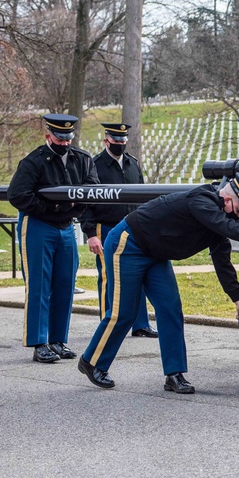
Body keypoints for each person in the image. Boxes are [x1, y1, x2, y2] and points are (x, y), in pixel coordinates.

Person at [77, 174, 239, 394]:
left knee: (171, 310)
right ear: (227, 200)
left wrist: (237, 299)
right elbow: (227, 227)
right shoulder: (202, 200)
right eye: (237, 211)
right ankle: (92, 361)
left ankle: (174, 374)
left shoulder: (216, 222)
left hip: (155, 253)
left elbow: (223, 264)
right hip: (129, 244)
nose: (236, 218)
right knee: (123, 312)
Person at [7, 114, 99, 364]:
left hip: (66, 227)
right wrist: (55, 209)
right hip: (38, 225)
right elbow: (18, 195)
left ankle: (58, 340)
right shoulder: (34, 161)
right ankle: (39, 343)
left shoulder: (82, 159)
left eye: (68, 138)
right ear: (48, 135)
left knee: (65, 283)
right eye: (60, 138)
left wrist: (70, 212)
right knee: (39, 285)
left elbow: (90, 191)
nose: (65, 143)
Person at [80, 122, 159, 338]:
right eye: (116, 141)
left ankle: (140, 324)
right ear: (106, 141)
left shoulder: (133, 164)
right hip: (106, 226)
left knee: (139, 272)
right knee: (108, 276)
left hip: (134, 228)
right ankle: (109, 321)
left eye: (123, 141)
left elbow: (141, 197)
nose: (120, 145)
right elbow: (86, 202)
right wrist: (91, 234)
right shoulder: (95, 165)